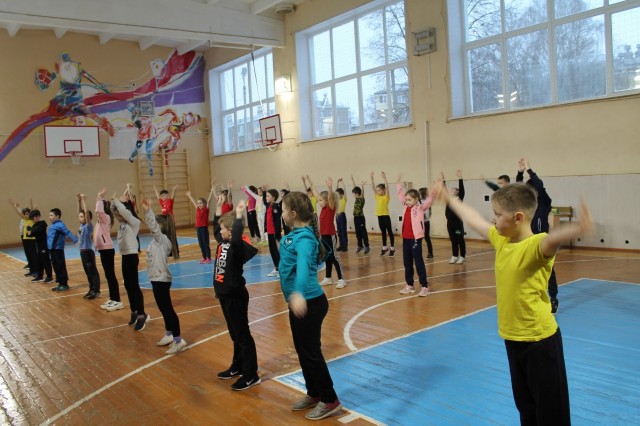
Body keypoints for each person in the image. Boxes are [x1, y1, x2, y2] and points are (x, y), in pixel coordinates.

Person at [433, 179, 592, 426]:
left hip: (540, 341)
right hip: (513, 338)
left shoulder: (535, 245)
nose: (493, 219)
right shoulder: (502, 241)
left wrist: (579, 227)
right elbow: (473, 219)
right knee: (526, 406)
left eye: (498, 214)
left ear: (518, 217)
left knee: (551, 410)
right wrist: (448, 198)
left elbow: (552, 240)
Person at [279, 191, 343, 421]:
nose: (281, 214)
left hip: (309, 302)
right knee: (302, 350)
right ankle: (314, 393)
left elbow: (305, 267)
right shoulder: (295, 235)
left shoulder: (305, 239)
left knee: (311, 352)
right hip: (299, 302)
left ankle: (330, 399)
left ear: (293, 214)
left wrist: (298, 293)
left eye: (283, 210)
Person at [213, 199, 261, 390]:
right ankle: (238, 366)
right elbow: (215, 229)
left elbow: (236, 236)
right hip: (224, 296)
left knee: (243, 336)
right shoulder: (222, 242)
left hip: (236, 297)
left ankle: (251, 375)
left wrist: (239, 216)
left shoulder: (237, 246)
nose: (220, 232)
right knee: (235, 335)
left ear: (232, 231)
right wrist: (218, 207)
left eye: (223, 229)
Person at [141, 198, 188, 355]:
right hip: (155, 279)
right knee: (162, 308)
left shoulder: (163, 240)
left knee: (168, 310)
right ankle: (169, 334)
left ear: (161, 227)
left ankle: (178, 340)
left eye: (155, 224)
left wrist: (148, 211)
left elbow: (153, 227)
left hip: (161, 280)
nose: (152, 226)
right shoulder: (155, 242)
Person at [516, 158, 560, 314]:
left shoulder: (545, 203)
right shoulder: (526, 205)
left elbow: (539, 186)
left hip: (543, 242)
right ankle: (528, 297)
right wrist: (519, 173)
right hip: (527, 242)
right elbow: (518, 188)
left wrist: (529, 170)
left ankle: (553, 298)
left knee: (549, 270)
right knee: (525, 270)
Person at [111, 192, 149, 331]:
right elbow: (114, 210)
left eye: (121, 212)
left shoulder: (134, 222)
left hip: (132, 257)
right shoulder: (122, 223)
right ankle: (134, 311)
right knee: (127, 285)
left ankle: (142, 315)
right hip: (124, 256)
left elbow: (123, 211)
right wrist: (115, 202)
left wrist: (116, 200)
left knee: (134, 286)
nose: (118, 214)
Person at [307, 175, 347, 289]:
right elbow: (316, 193)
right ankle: (328, 278)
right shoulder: (323, 208)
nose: (319, 202)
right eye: (318, 200)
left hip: (330, 235)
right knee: (327, 256)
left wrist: (330, 188)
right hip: (323, 236)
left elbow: (330, 198)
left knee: (334, 257)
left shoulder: (330, 207)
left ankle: (341, 279)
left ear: (327, 200)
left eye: (321, 200)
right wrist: (310, 182)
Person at [397, 177, 434, 296]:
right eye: (406, 199)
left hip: (415, 239)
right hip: (405, 238)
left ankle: (424, 286)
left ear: (416, 199)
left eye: (409, 200)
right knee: (407, 263)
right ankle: (410, 285)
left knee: (418, 262)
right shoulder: (405, 206)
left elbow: (429, 201)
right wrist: (398, 184)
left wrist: (434, 190)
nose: (407, 201)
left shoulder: (420, 208)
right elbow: (400, 195)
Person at [94, 188, 124, 311]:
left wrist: (100, 197)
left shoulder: (106, 217)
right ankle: (113, 298)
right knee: (108, 275)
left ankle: (117, 300)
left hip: (107, 250)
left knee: (111, 275)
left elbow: (98, 210)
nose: (97, 212)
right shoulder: (101, 220)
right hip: (103, 249)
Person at [77, 193, 101, 300]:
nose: (79, 218)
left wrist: (83, 200)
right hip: (82, 252)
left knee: (93, 272)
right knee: (88, 273)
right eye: (79, 217)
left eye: (81, 217)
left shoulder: (88, 226)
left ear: (88, 218)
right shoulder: (81, 226)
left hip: (88, 252)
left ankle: (96, 291)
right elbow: (80, 211)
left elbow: (86, 212)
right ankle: (91, 289)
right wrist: (78, 201)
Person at [47, 208, 78, 292]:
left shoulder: (60, 225)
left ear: (57, 216)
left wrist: (75, 240)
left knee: (60, 266)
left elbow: (67, 232)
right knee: (56, 267)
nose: (49, 217)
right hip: (52, 250)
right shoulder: (52, 225)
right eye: (49, 215)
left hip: (58, 250)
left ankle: (64, 284)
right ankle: (60, 283)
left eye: (51, 215)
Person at [186, 183, 214, 264]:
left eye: (200, 203)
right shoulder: (198, 209)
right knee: (201, 244)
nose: (199, 204)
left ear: (204, 204)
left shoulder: (206, 209)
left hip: (204, 229)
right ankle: (204, 258)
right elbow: (193, 202)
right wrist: (189, 196)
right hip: (198, 228)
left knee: (206, 244)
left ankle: (208, 258)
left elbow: (209, 200)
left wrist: (211, 191)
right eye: (198, 203)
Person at [8, 199, 37, 276]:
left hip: (32, 240)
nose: (26, 215)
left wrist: (31, 204)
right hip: (26, 239)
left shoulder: (31, 220)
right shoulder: (24, 220)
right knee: (29, 255)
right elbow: (19, 213)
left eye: (28, 214)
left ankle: (36, 271)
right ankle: (31, 270)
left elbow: (32, 211)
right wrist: (14, 207)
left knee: (34, 256)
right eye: (25, 214)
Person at [443, 170, 466, 264]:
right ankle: (455, 255)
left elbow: (462, 190)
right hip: (450, 223)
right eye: (450, 190)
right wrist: (443, 181)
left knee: (460, 239)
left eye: (453, 190)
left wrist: (460, 178)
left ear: (457, 192)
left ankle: (462, 256)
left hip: (457, 223)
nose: (450, 191)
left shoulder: (459, 199)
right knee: (453, 239)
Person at [371, 171, 395, 256]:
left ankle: (392, 248)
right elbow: (373, 189)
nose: (377, 191)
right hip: (379, 217)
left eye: (379, 190)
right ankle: (384, 248)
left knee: (390, 232)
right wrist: (372, 179)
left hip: (385, 216)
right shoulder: (377, 197)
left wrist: (385, 179)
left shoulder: (386, 197)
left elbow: (387, 188)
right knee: (383, 232)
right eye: (377, 190)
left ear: (383, 190)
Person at [153, 184, 180, 259]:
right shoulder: (162, 202)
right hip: (164, 222)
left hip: (170, 221)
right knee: (166, 238)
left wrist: (174, 190)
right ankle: (169, 252)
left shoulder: (169, 201)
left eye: (163, 195)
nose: (162, 197)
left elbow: (172, 197)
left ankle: (176, 252)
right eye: (161, 196)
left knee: (172, 237)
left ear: (167, 195)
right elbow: (158, 197)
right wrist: (155, 189)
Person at [27, 209, 53, 284]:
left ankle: (49, 277)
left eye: (33, 218)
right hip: (38, 246)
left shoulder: (42, 223)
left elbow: (35, 231)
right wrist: (31, 231)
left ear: (38, 216)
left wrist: (31, 231)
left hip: (44, 245)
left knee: (46, 261)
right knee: (39, 261)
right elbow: (29, 234)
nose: (33, 220)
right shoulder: (35, 225)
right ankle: (40, 276)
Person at [262, 186, 282, 278]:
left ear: (274, 198)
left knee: (276, 251)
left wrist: (277, 232)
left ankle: (281, 270)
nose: (266, 198)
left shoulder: (277, 206)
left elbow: (277, 220)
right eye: (266, 196)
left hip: (275, 233)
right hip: (269, 233)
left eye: (268, 196)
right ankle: (276, 268)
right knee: (272, 251)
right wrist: (264, 191)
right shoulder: (267, 205)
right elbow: (264, 200)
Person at [350, 175, 370, 255]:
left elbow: (362, 193)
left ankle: (367, 246)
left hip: (360, 218)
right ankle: (360, 246)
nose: (353, 195)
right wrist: (352, 180)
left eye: (353, 194)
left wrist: (362, 186)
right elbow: (355, 188)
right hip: (356, 218)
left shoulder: (361, 199)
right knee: (358, 232)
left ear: (357, 193)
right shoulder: (356, 198)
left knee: (363, 232)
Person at [418, 187, 434, 260]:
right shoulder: (418, 201)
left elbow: (427, 213)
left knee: (427, 238)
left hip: (425, 222)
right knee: (418, 238)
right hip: (418, 223)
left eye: (419, 193)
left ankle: (430, 253)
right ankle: (418, 253)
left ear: (422, 194)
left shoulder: (427, 201)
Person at [335, 178, 348, 252]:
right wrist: (337, 183)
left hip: (342, 216)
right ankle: (341, 245)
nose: (336, 196)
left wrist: (342, 183)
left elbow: (345, 190)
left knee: (343, 231)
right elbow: (336, 191)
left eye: (338, 194)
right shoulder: (336, 200)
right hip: (337, 216)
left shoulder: (344, 199)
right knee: (339, 232)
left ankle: (345, 246)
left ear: (342, 194)